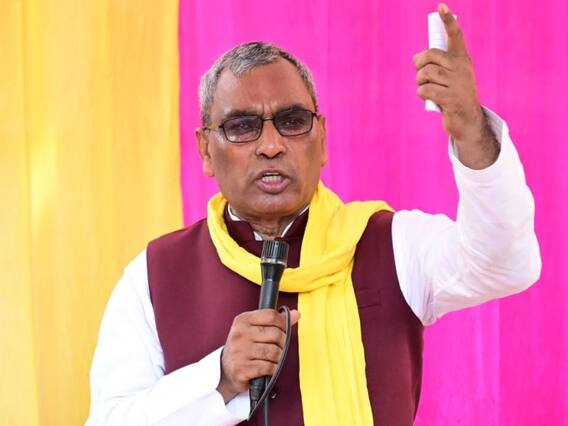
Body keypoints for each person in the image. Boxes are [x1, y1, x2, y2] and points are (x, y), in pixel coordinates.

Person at [86, 4, 541, 426]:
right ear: (206, 149)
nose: (271, 145)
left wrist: (470, 128)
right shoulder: (155, 274)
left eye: (292, 121)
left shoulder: (390, 244)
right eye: (242, 126)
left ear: (321, 139)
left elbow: (506, 263)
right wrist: (219, 378)